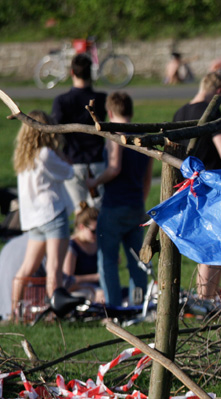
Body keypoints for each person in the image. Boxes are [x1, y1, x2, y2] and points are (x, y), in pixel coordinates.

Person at [174, 72, 221, 302]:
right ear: (219, 92)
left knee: (205, 242)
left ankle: (206, 297)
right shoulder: (211, 111)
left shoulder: (180, 112)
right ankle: (206, 299)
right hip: (210, 186)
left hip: (186, 186)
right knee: (214, 243)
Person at [87, 92, 153, 307]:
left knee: (107, 260)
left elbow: (114, 168)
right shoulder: (142, 136)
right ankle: (137, 303)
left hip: (114, 205)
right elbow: (147, 178)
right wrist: (140, 202)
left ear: (110, 111)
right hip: (135, 204)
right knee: (137, 260)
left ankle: (114, 305)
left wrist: (95, 182)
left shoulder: (114, 133)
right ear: (130, 111)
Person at [11, 110, 72, 320]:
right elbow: (68, 172)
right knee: (54, 268)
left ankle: (14, 313)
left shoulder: (23, 156)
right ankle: (56, 314)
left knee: (27, 268)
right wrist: (63, 156)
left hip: (33, 219)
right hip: (52, 214)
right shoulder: (46, 154)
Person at [51, 53, 107, 212]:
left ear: (72, 73)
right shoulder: (101, 99)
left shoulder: (62, 101)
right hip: (97, 161)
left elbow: (54, 132)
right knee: (98, 213)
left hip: (72, 160)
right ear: (91, 73)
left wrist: (62, 157)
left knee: (80, 213)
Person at [62, 201, 102, 302]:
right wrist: (95, 277)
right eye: (93, 231)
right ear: (81, 227)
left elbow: (118, 260)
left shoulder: (96, 242)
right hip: (78, 289)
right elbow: (67, 281)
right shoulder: (72, 247)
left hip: (97, 287)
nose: (97, 234)